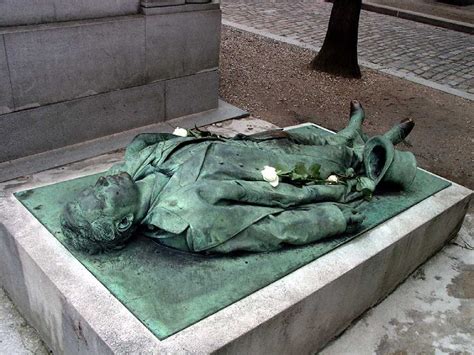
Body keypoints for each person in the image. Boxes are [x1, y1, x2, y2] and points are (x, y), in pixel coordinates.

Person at [60, 101, 417, 255]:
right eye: (101, 197)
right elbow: (269, 230)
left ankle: (349, 132)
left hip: (255, 149)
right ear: (124, 221)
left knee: (297, 140)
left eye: (95, 185)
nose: (103, 183)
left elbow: (150, 147)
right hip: (279, 177)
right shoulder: (189, 220)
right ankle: (383, 152)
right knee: (340, 163)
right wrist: (329, 219)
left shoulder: (140, 160)